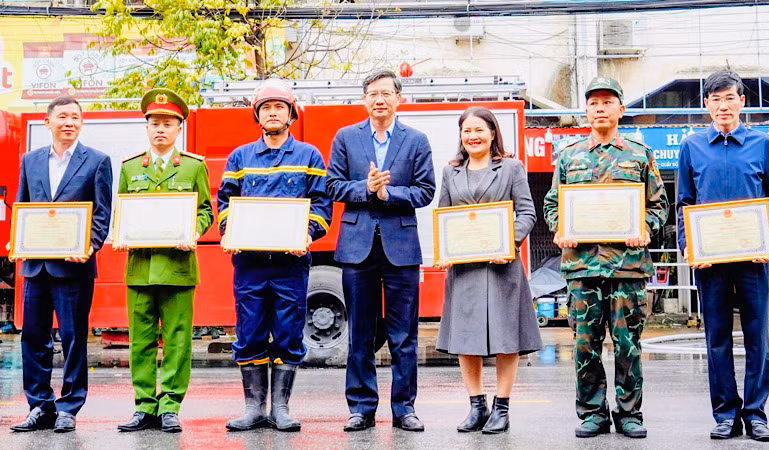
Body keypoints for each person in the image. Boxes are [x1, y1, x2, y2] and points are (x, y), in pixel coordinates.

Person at [543, 77, 669, 439]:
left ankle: (629, 413)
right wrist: (560, 228)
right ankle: (593, 413)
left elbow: (658, 204)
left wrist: (644, 228)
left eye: (607, 102)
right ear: (586, 110)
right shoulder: (569, 157)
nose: (600, 108)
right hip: (582, 266)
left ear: (621, 109)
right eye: (594, 103)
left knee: (628, 344)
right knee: (585, 345)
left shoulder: (639, 155)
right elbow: (553, 204)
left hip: (627, 267)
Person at [677, 70, 769, 442]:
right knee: (717, 339)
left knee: (758, 338)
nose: (723, 105)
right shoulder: (692, 146)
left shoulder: (762, 144)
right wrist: (688, 246)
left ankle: (756, 414)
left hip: (755, 260)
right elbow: (684, 204)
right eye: (716, 99)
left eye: (730, 98)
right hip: (710, 262)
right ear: (706, 104)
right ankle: (725, 414)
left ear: (742, 101)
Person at [218, 79, 332, 432]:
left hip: (290, 264)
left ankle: (280, 409)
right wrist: (229, 232)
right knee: (249, 332)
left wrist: (307, 234)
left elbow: (321, 204)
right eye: (266, 107)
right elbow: (225, 201)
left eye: (279, 107)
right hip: (250, 264)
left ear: (291, 114)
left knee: (288, 333)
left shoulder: (309, 156)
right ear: (257, 115)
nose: (272, 112)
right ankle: (254, 409)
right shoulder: (240, 157)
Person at [326, 69, 435, 432]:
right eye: (372, 93)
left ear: (399, 98)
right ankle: (361, 408)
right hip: (357, 248)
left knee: (404, 335)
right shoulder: (346, 137)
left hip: (401, 248)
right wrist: (366, 188)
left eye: (386, 93)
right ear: (364, 100)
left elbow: (425, 191)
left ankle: (404, 408)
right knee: (360, 333)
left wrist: (390, 194)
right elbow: (333, 186)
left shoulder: (416, 140)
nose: (379, 99)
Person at [434, 107, 541, 434]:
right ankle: (477, 406)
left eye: (479, 130)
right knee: (466, 338)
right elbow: (443, 215)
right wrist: (445, 250)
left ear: (493, 133)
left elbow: (527, 213)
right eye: (467, 131)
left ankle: (502, 407)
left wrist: (507, 242)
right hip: (465, 270)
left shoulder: (511, 168)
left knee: (506, 338)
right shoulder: (451, 172)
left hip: (501, 266)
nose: (473, 136)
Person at [9, 96, 113, 433]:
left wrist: (90, 246)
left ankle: (69, 407)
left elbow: (102, 213)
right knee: (33, 338)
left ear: (81, 123)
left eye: (75, 117)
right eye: (63, 116)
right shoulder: (30, 160)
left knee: (73, 338)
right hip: (36, 266)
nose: (69, 122)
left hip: (74, 266)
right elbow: (23, 206)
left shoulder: (97, 161)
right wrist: (16, 239)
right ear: (48, 122)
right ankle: (39, 406)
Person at [115, 88, 214, 433]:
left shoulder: (193, 166)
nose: (161, 129)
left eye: (168, 124)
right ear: (146, 128)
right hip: (140, 268)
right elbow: (122, 210)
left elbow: (205, 210)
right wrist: (119, 233)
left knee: (177, 340)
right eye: (155, 123)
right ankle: (144, 406)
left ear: (179, 128)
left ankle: (170, 405)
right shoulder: (130, 168)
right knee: (140, 341)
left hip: (178, 267)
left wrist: (194, 231)